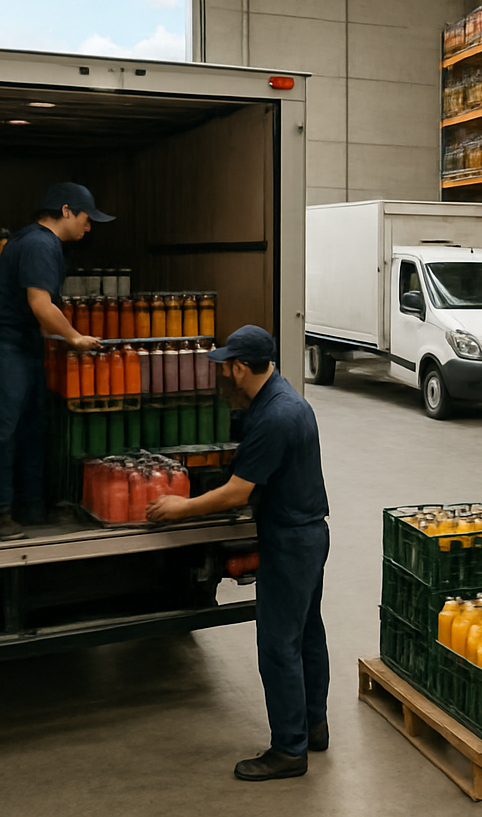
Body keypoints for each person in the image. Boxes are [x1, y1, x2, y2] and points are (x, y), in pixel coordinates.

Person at [146, 325, 331, 782]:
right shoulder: (282, 397)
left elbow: (236, 493)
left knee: (277, 645)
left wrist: (181, 508)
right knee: (307, 633)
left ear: (242, 367)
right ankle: (313, 725)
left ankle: (289, 750)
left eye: (229, 365)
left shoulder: (275, 418)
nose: (226, 373)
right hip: (310, 533)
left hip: (289, 541)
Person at [0, 182, 110, 541]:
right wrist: (74, 337)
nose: (88, 227)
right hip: (4, 342)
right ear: (66, 211)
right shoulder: (39, 244)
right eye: (85, 218)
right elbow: (41, 305)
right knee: (5, 426)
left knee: (32, 424)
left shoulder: (36, 241)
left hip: (23, 341)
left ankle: (31, 507)